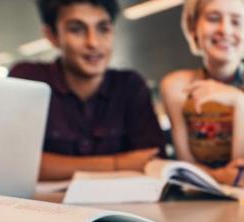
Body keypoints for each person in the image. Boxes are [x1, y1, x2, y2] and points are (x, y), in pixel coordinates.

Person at [9, 0, 166, 181]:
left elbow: (153, 162)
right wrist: (118, 163)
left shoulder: (130, 86)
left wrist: (56, 165)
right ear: (52, 36)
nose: (93, 42)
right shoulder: (28, 78)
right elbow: (15, 163)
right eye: (77, 29)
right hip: (47, 207)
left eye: (103, 29)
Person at [161, 0, 244, 187]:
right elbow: (186, 165)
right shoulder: (175, 86)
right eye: (213, 18)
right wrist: (220, 177)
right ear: (193, 26)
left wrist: (239, 102)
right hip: (202, 194)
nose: (225, 30)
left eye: (236, 22)